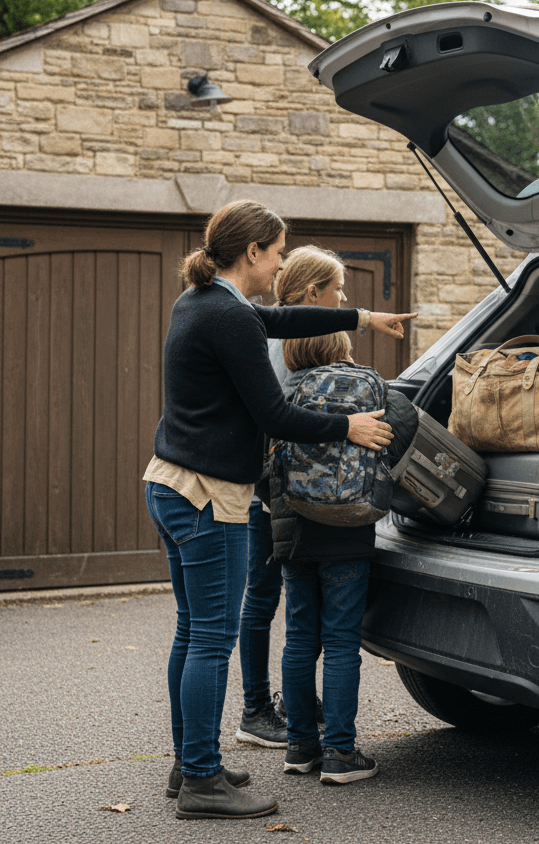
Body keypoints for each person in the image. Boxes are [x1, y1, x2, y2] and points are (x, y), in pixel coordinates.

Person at [143, 200, 414, 820]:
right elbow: (277, 417)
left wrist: (362, 315)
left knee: (192, 632)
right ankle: (204, 783)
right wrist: (350, 425)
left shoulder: (203, 301)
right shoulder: (227, 315)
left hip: (170, 483)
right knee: (211, 639)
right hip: (208, 497)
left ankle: (190, 764)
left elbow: (280, 318)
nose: (283, 261)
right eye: (280, 251)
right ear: (254, 253)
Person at [235, 246, 353, 748]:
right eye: (337, 290)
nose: (343, 297)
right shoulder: (282, 347)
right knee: (263, 600)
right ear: (312, 294)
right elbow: (274, 426)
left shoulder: (282, 337)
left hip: (275, 494)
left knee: (278, 604)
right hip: (272, 498)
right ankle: (256, 710)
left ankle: (291, 702)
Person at [270, 326, 381, 785]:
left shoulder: (284, 391)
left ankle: (299, 746)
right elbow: (405, 430)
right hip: (350, 529)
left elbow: (264, 465)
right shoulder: (367, 386)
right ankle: (339, 753)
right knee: (340, 641)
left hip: (295, 531)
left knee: (299, 637)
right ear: (340, 346)